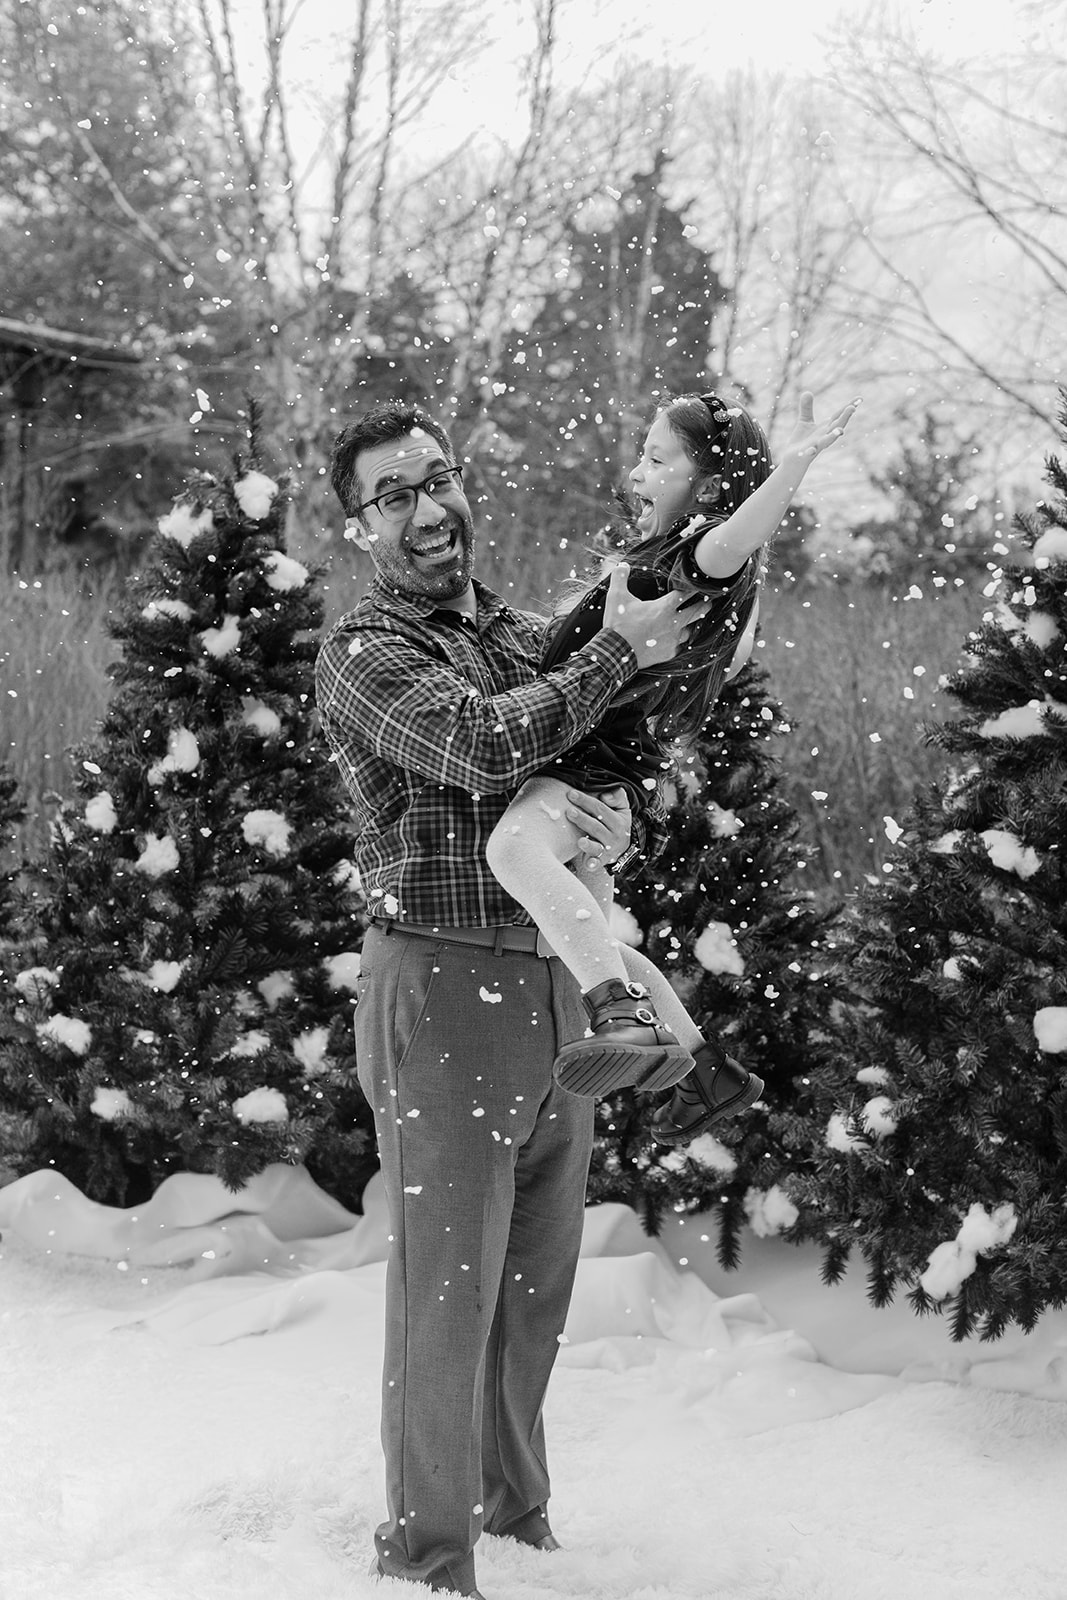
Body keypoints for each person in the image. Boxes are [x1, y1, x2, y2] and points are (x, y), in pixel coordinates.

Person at [314, 398, 713, 1598]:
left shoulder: (512, 628)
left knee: (535, 1279)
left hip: (556, 978)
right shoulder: (365, 648)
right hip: (439, 986)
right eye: (397, 494)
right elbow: (486, 749)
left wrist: (621, 816)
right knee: (449, 1283)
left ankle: (514, 1508)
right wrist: (611, 655)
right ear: (357, 526)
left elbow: (602, 745)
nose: (431, 508)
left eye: (437, 479)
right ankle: (427, 1552)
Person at [485, 390, 858, 1147]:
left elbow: (731, 546)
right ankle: (701, 1074)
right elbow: (739, 637)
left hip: (585, 762)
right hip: (599, 768)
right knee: (587, 938)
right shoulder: (662, 568)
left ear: (712, 488)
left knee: (512, 852)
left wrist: (789, 466)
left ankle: (619, 1016)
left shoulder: (689, 561)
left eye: (658, 460)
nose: (636, 472)